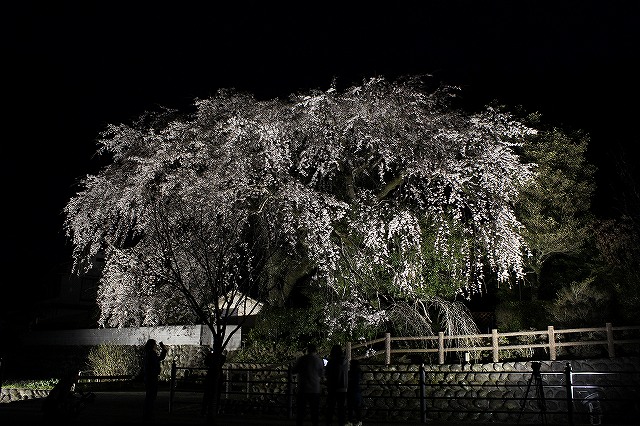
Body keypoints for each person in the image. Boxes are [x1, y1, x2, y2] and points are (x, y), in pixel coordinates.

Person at [292, 342, 324, 426]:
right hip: (314, 389)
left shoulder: (302, 359)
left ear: (307, 350)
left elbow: (294, 370)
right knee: (314, 412)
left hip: (303, 388)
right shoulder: (319, 360)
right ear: (316, 350)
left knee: (301, 412)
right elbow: (322, 374)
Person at [142, 338, 167, 423]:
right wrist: (163, 349)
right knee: (151, 395)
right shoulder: (151, 354)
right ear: (152, 345)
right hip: (151, 377)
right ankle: (148, 413)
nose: (155, 346)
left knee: (149, 395)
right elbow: (159, 359)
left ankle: (147, 413)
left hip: (149, 377)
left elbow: (158, 359)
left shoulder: (147, 353)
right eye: (154, 344)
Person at [325, 344, 348, 426]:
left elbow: (326, 373)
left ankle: (329, 423)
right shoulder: (345, 361)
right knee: (341, 408)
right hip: (343, 387)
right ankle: (341, 423)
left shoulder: (331, 362)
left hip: (332, 387)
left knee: (330, 407)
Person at [202, 347, 227, 418]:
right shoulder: (221, 357)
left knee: (208, 395)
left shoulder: (211, 356)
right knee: (215, 395)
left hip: (212, 375)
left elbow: (206, 362)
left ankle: (205, 410)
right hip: (217, 376)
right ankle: (213, 410)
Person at [346, 359, 363, 426]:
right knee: (356, 407)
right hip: (356, 390)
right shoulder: (358, 371)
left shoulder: (351, 372)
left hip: (351, 390)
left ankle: (350, 421)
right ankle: (359, 421)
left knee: (351, 406)